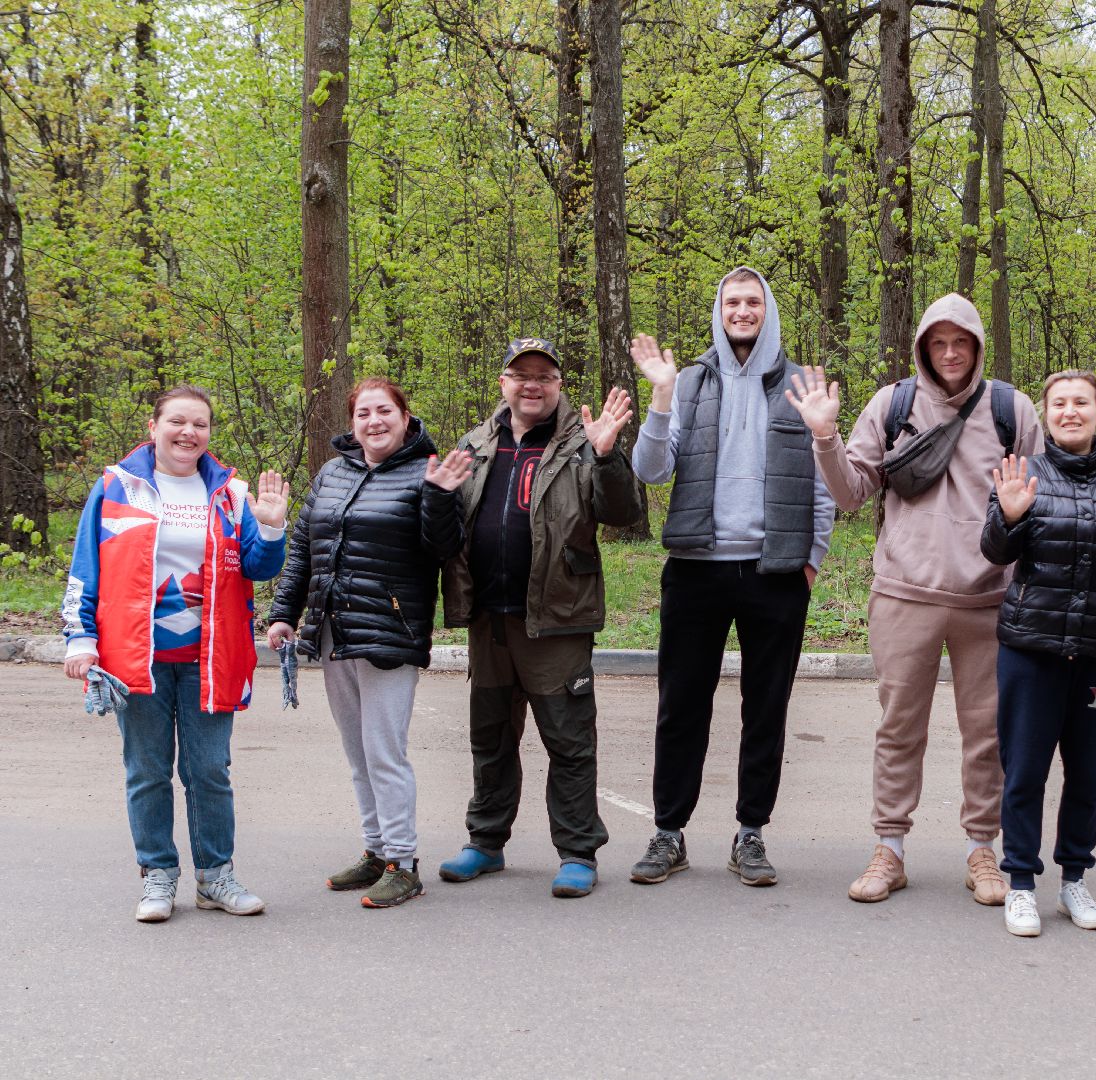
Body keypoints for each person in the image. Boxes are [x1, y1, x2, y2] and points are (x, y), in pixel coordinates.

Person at [785, 292, 1039, 906]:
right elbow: (850, 494)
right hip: (904, 593)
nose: (950, 354)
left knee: (989, 732)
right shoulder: (893, 403)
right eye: (938, 343)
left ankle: (983, 849)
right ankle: (890, 848)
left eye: (961, 343)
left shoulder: (1012, 408)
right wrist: (824, 436)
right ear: (923, 347)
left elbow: (1038, 500)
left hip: (990, 597)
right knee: (900, 727)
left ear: (977, 346)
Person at [628, 267, 834, 887]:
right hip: (696, 569)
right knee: (681, 705)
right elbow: (649, 470)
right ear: (718, 311)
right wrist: (660, 398)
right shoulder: (687, 381)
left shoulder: (802, 385)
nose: (742, 311)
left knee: (765, 707)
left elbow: (823, 484)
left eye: (753, 302)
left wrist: (811, 560)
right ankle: (669, 831)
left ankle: (751, 832)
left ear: (768, 311)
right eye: (732, 302)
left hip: (775, 573)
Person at [62, 385, 288, 923]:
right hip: (132, 659)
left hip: (212, 660)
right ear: (153, 427)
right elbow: (85, 567)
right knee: (146, 771)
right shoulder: (117, 487)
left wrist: (274, 525)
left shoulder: (231, 493)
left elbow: (258, 567)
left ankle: (215, 877)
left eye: (201, 425)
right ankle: (157, 874)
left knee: (209, 771)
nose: (189, 433)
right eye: (178, 422)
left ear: (209, 433)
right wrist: (80, 636)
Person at [434, 338, 640, 899]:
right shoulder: (475, 445)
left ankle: (577, 852)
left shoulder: (581, 442)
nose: (532, 384)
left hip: (557, 620)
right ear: (503, 382)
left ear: (558, 385)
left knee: (569, 742)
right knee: (491, 738)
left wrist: (606, 456)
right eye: (520, 374)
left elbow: (624, 514)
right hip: (489, 619)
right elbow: (448, 522)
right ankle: (486, 842)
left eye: (544, 376)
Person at [266, 377, 470, 909]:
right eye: (363, 413)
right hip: (333, 630)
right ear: (352, 422)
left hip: (389, 631)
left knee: (384, 752)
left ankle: (404, 862)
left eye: (384, 411)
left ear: (405, 418)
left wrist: (442, 496)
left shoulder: (425, 474)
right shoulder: (331, 474)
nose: (374, 421)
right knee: (357, 752)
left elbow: (443, 547)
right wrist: (284, 614)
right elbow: (302, 550)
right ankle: (377, 852)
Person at [979, 371, 1096, 936]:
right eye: (1059, 403)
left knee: (1087, 773)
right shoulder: (1022, 473)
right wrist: (1009, 516)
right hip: (1031, 649)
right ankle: (1020, 883)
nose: (1070, 412)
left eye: (1081, 403)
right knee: (1025, 771)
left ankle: (1075, 879)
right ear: (1046, 414)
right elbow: (994, 551)